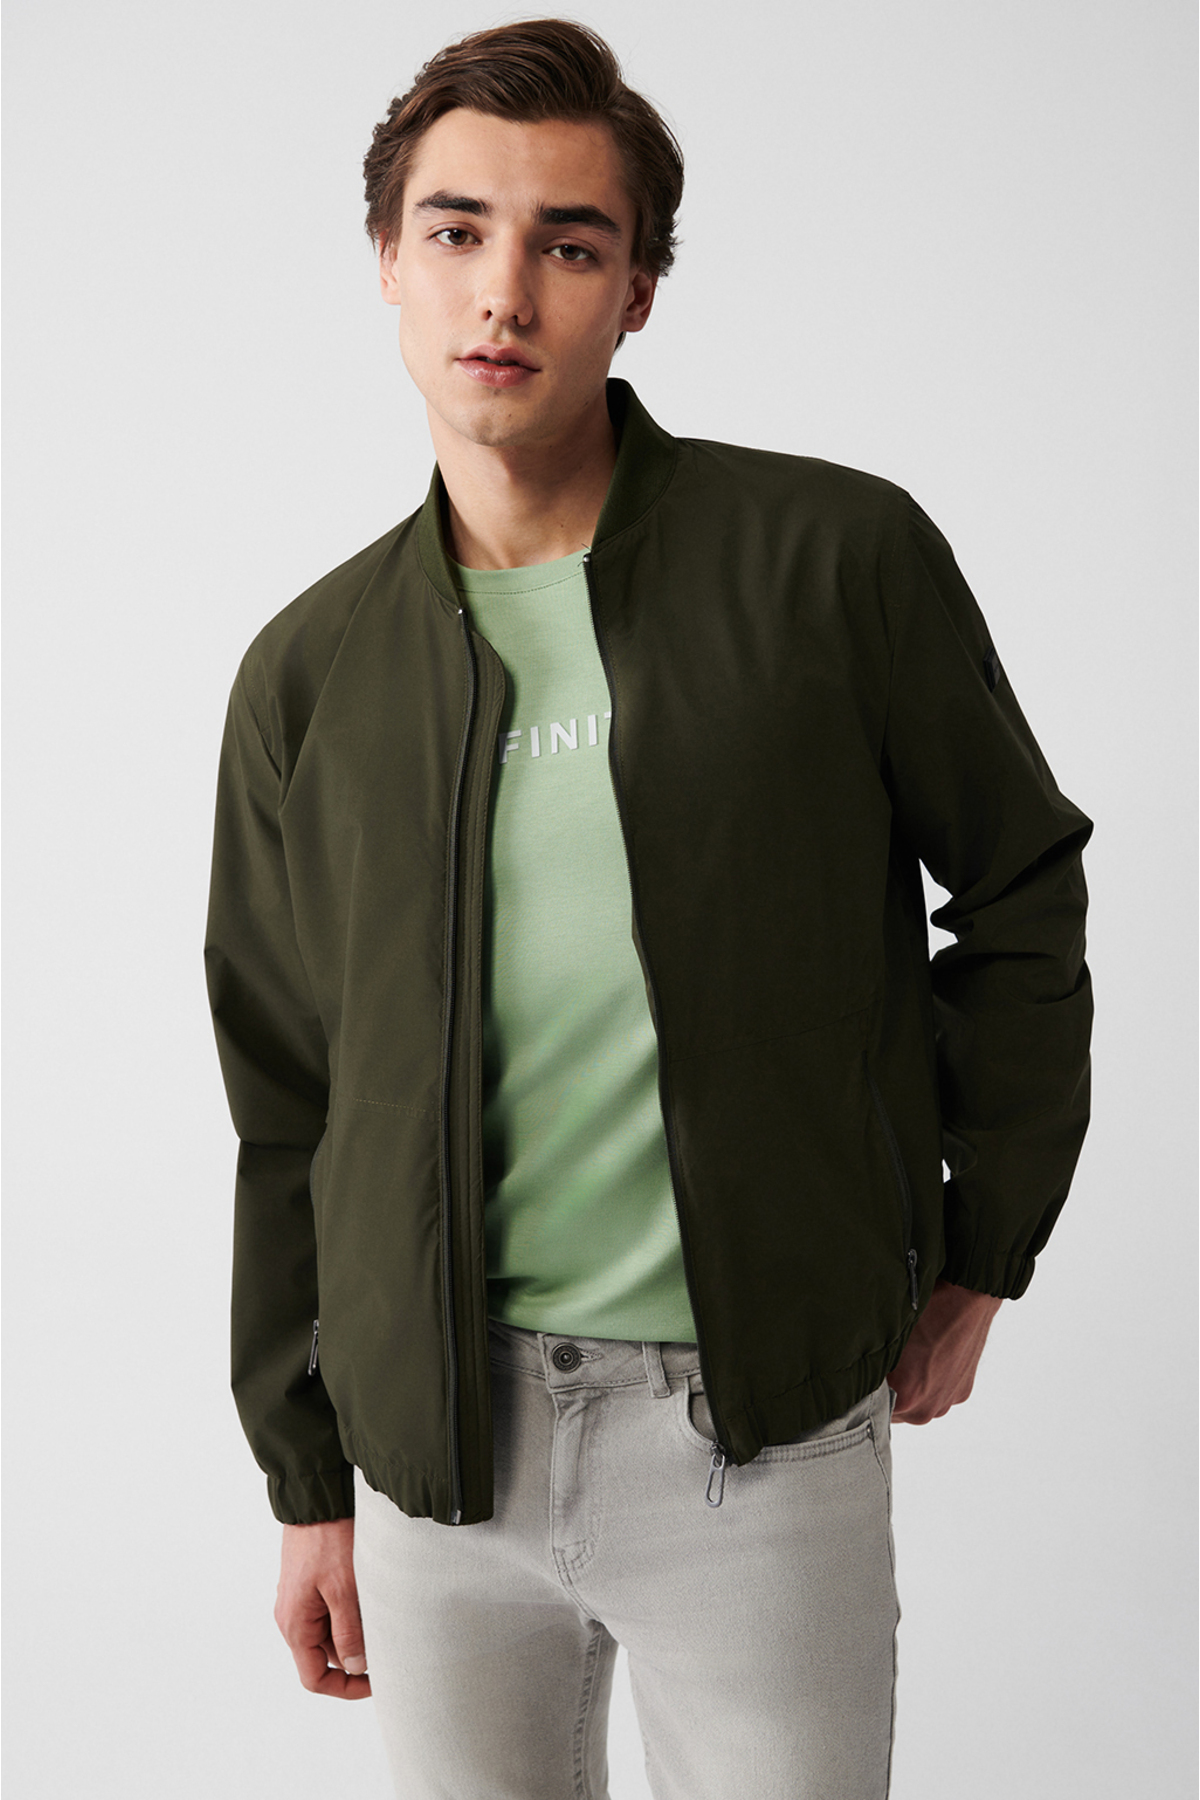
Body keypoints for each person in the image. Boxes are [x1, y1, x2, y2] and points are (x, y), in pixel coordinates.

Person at [205, 19, 1093, 1797]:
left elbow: (1017, 890)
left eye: (570, 241)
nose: (503, 289)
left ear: (638, 292)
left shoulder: (832, 562)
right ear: (388, 262)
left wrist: (982, 1248)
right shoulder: (310, 673)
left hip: (756, 1439)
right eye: (457, 230)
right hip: (437, 1465)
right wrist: (310, 1482)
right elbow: (289, 1092)